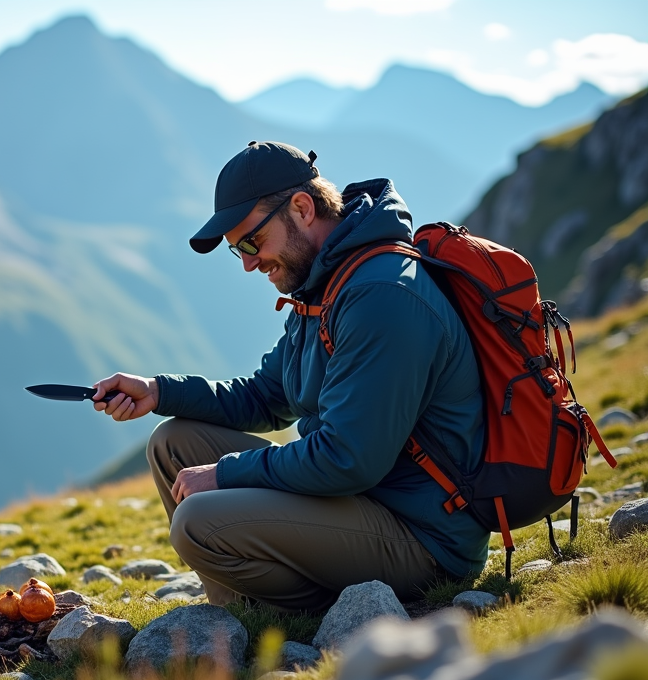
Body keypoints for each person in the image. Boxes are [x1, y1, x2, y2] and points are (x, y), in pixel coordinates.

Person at [91, 141, 489, 612]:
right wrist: (158, 391)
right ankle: (239, 613)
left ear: (302, 208)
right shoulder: (325, 283)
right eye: (235, 250)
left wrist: (226, 473)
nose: (247, 263)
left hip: (422, 538)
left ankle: (290, 616)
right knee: (173, 444)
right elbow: (266, 396)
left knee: (198, 519)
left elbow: (346, 458)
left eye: (250, 242)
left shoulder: (381, 296)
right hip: (360, 501)